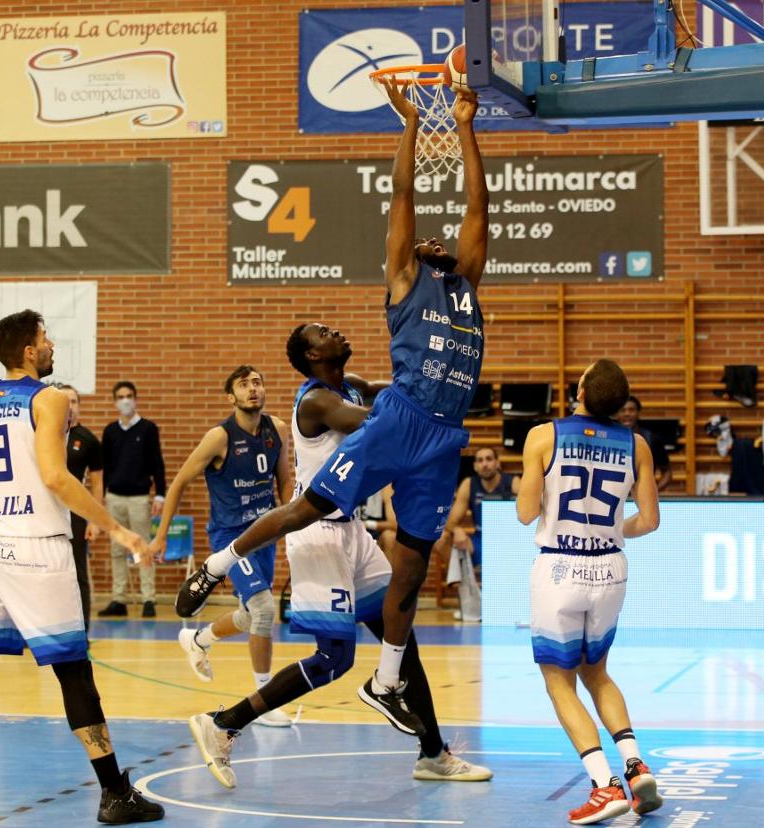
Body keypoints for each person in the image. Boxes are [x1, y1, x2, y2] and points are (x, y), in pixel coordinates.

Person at [175, 82, 488, 735]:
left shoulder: (466, 285)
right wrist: (412, 124)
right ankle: (218, 566)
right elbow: (404, 197)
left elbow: (478, 214)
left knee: (415, 563)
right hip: (397, 424)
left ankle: (389, 680)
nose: (441, 242)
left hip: (439, 435)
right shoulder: (404, 281)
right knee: (308, 515)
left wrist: (465, 126)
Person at [186, 322, 492, 786]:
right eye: (325, 332)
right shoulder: (316, 402)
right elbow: (380, 423)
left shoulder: (348, 386)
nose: (338, 331)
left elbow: (396, 394)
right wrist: (425, 412)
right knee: (334, 659)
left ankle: (433, 753)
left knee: (400, 634)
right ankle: (223, 722)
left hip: (351, 532)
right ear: (312, 356)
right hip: (317, 534)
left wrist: (443, 381)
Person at [0, 310, 162, 827]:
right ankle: (113, 793)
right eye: (45, 339)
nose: (51, 344)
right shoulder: (50, 398)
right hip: (36, 547)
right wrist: (120, 530)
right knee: (73, 672)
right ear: (27, 351)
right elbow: (56, 478)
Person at [516, 359, 663, 824]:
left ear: (579, 388)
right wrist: (612, 530)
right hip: (611, 566)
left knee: (558, 681)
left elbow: (523, 514)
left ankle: (604, 785)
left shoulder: (543, 436)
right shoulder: (636, 443)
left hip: (559, 564)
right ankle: (636, 766)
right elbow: (651, 520)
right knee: (597, 673)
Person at [144, 365, 293, 727]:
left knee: (249, 615)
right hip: (231, 540)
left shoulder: (278, 429)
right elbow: (178, 482)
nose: (253, 389)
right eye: (244, 385)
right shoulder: (219, 438)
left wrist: (292, 525)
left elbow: (285, 479)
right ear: (232, 397)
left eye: (258, 381)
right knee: (263, 610)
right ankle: (263, 702)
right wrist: (161, 535)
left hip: (266, 533)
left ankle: (198, 639)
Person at [98, 381, 167, 618]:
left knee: (143, 548)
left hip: (139, 498)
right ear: (115, 401)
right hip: (114, 497)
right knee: (117, 549)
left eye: (129, 396)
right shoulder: (110, 431)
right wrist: (102, 498)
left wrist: (160, 494)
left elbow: (157, 463)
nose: (125, 400)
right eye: (120, 396)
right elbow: (104, 469)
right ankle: (119, 599)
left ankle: (148, 598)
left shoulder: (148, 429)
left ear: (135, 399)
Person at [436, 446, 519, 621]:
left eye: (489, 459)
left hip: (508, 541)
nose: (485, 464)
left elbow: (532, 512)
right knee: (441, 540)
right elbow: (450, 521)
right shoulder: (469, 484)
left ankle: (509, 603)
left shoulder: (513, 482)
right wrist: (458, 530)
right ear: (475, 466)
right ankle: (471, 601)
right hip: (480, 539)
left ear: (497, 463)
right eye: (480, 460)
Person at [58, 384, 103, 632]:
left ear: (79, 406)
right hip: (46, 512)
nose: (70, 406)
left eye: (74, 401)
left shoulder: (87, 440)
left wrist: (94, 520)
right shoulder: (44, 434)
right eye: (65, 401)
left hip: (75, 515)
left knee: (77, 573)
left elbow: (97, 484)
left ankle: (81, 629)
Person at [615, 396, 672, 492]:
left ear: (638, 413)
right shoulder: (608, 439)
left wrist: (653, 492)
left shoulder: (652, 439)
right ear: (617, 414)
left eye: (631, 410)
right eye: (623, 410)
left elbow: (667, 472)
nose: (627, 414)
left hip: (642, 498)